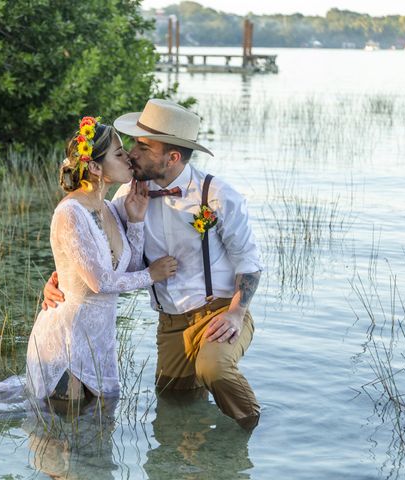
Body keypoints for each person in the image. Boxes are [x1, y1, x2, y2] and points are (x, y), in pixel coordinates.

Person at [42, 99, 264, 431]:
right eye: (131, 145)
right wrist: (59, 278)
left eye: (143, 147)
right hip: (170, 322)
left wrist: (236, 311)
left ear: (171, 157)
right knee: (172, 409)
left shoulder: (218, 195)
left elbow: (250, 262)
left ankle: (250, 431)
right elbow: (97, 247)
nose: (132, 153)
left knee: (213, 369)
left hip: (219, 310)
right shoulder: (126, 195)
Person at [26, 116, 177, 406]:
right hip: (66, 341)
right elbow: (100, 283)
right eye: (119, 154)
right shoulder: (70, 212)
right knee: (63, 438)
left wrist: (135, 221)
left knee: (96, 440)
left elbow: (126, 269)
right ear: (95, 167)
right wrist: (153, 275)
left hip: (99, 341)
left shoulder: (110, 208)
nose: (130, 159)